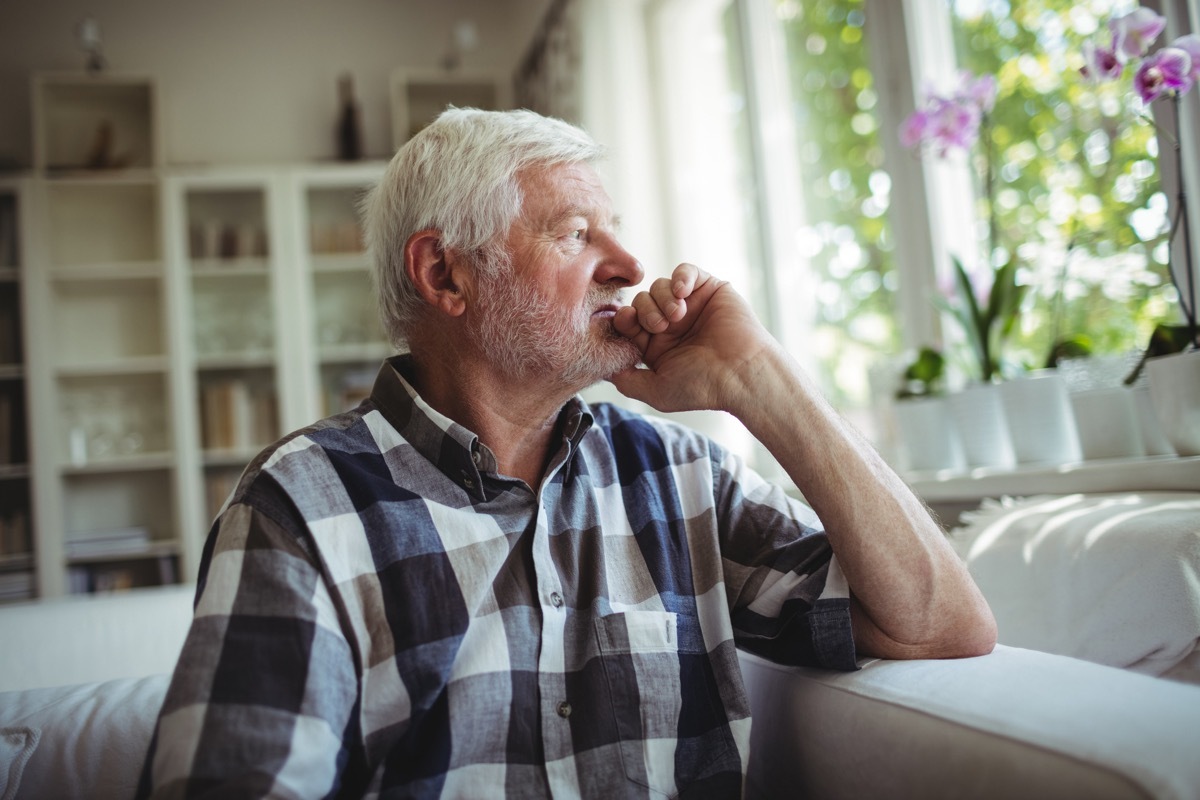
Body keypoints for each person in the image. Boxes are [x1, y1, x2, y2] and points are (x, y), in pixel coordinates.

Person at [139, 108, 995, 799]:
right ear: (445, 275)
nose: (627, 266)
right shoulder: (301, 506)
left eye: (615, 233)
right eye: (576, 233)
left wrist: (757, 378)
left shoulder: (674, 475)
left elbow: (939, 623)